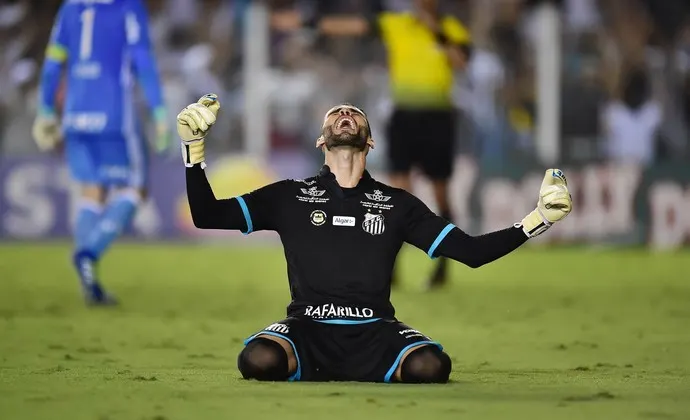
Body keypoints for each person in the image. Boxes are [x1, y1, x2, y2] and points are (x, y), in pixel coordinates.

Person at [179, 93, 572, 383]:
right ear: (321, 141)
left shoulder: (398, 204)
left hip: (375, 331)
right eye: (336, 114)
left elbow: (470, 253)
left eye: (354, 114)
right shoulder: (288, 194)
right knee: (257, 360)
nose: (345, 114)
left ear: (369, 142)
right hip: (307, 328)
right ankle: (308, 363)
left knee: (431, 367)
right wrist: (193, 149)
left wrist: (539, 219)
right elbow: (207, 214)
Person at [274, 0, 472, 288]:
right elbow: (352, 26)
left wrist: (437, 33)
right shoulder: (397, 24)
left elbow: (461, 61)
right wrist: (306, 23)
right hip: (404, 116)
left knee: (441, 195)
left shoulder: (451, 29)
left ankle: (442, 267)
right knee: (399, 195)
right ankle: (392, 270)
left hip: (438, 117)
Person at [32, 0, 169, 305]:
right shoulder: (127, 8)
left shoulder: (71, 8)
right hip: (114, 116)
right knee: (136, 187)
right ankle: (89, 251)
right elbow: (142, 59)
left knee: (92, 190)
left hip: (75, 115)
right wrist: (159, 111)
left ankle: (88, 282)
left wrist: (44, 110)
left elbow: (53, 61)